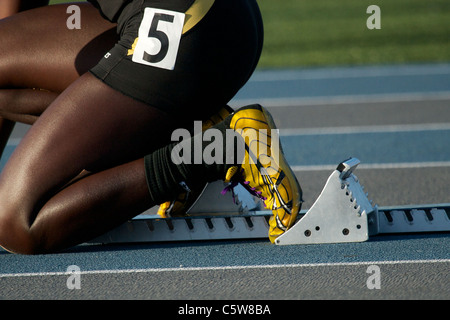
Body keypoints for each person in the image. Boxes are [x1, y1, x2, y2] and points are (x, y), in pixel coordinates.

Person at [0, 0, 302, 255]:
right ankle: (183, 130)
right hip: (216, 18)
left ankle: (220, 148)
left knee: (16, 223)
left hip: (182, 26)